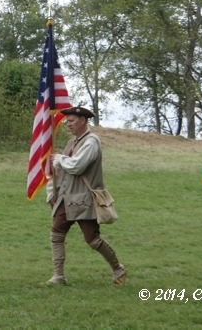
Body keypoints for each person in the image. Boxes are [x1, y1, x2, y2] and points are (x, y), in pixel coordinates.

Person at [45, 106, 126, 286]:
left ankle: (117, 268)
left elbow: (77, 166)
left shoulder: (92, 141)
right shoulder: (71, 143)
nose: (68, 125)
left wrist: (59, 159)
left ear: (83, 121)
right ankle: (59, 276)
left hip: (84, 200)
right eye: (67, 121)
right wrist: (51, 193)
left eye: (72, 121)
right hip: (66, 199)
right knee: (56, 234)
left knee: (92, 239)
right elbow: (58, 171)